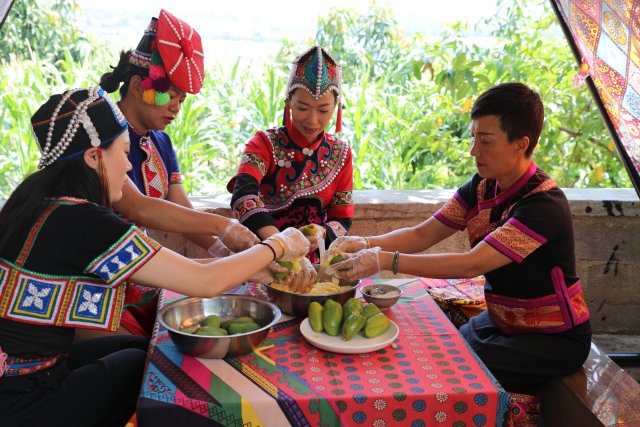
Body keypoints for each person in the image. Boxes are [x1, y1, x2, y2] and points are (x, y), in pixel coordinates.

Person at [0, 86, 308, 426]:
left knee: (136, 351)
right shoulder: (82, 221)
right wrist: (279, 244)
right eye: (123, 154)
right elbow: (203, 282)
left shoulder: (37, 202)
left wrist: (251, 270)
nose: (127, 169)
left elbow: (176, 270)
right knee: (150, 371)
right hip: (22, 395)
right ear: (93, 157)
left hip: (29, 370)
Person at [326, 82, 592, 396]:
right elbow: (423, 233)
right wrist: (365, 243)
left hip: (553, 338)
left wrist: (386, 260)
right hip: (502, 323)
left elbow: (471, 265)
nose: (473, 151)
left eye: (486, 141)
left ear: (521, 144)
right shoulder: (482, 186)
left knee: (452, 371)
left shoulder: (542, 207)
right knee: (436, 345)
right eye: (473, 138)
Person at [96, 10, 263, 337]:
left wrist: (226, 251)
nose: (175, 107)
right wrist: (224, 226)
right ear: (135, 85)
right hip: (97, 282)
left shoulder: (161, 142)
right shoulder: (103, 132)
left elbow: (183, 210)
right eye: (170, 96)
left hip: (137, 274)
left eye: (181, 100)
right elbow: (137, 206)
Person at [228, 45, 354, 290]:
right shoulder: (264, 143)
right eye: (302, 108)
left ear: (336, 107)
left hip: (312, 272)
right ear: (289, 102)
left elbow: (342, 219)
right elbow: (243, 195)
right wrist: (281, 244)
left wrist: (322, 232)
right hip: (262, 262)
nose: (313, 120)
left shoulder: (342, 154)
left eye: (324, 110)